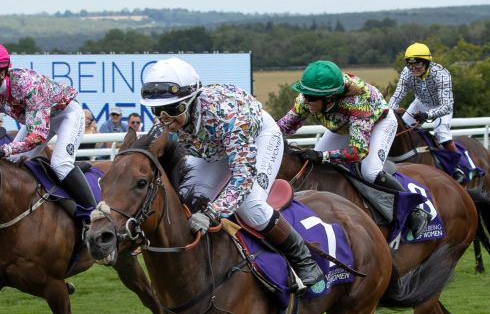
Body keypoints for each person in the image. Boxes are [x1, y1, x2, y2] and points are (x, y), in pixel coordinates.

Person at [141, 57, 326, 292]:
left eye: (172, 109)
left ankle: (304, 260)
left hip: (257, 138)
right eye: (157, 110)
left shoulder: (228, 116)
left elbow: (242, 176)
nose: (164, 118)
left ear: (191, 100)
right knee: (187, 196)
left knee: (250, 206)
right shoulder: (167, 119)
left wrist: (212, 213)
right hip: (213, 148)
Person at [278, 60, 430, 238]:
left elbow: (357, 151)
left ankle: (415, 209)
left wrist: (322, 155)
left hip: (379, 122)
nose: (305, 100)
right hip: (344, 125)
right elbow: (282, 127)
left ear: (329, 98)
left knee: (370, 171)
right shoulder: (307, 99)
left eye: (311, 97)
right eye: (304, 94)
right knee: (315, 166)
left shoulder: (357, 102)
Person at [0, 40, 96, 211]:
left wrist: (4, 149)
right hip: (38, 120)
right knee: (11, 163)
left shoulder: (28, 84)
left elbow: (37, 137)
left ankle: (95, 214)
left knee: (61, 164)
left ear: (2, 72)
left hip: (66, 114)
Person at [388, 43, 456, 152]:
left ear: (427, 62)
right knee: (401, 130)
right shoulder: (406, 73)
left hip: (441, 107)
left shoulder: (441, 74)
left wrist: (426, 115)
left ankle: (458, 162)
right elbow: (397, 96)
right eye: (410, 64)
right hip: (420, 104)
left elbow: (446, 106)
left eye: (417, 64)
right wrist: (391, 110)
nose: (413, 68)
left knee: (441, 134)